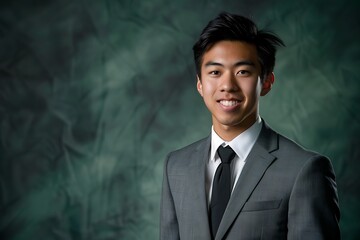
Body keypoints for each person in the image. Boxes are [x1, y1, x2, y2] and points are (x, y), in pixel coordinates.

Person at [160, 12, 340, 240]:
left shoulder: (305, 170)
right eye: (215, 72)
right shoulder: (176, 166)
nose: (227, 85)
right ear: (200, 84)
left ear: (266, 82)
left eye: (242, 72)